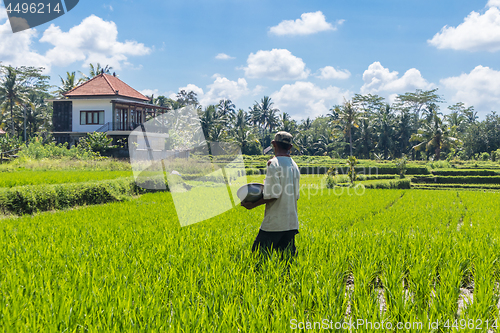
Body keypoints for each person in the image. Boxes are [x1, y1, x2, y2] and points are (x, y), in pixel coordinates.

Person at [241, 131, 300, 257]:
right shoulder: (295, 166)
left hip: (274, 223)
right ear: (290, 147)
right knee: (287, 265)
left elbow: (273, 194)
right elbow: (296, 196)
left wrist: (253, 204)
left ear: (273, 144)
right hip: (291, 222)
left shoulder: (273, 163)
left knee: (257, 260)